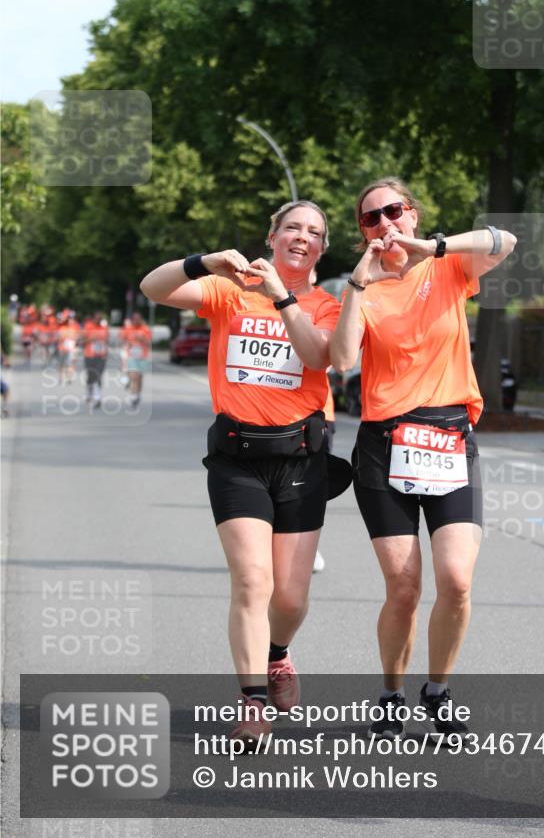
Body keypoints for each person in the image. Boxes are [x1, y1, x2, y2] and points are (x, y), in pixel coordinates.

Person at [140, 200, 346, 750]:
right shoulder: (230, 292)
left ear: (321, 249)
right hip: (237, 458)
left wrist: (282, 295)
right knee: (253, 579)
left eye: (314, 233)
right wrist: (206, 261)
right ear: (272, 236)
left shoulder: (327, 305)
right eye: (292, 228)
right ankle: (253, 699)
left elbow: (318, 357)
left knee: (291, 597)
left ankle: (278, 653)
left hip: (302, 460)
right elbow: (153, 288)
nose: (302, 238)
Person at [330, 177, 516, 741]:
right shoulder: (361, 290)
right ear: (362, 232)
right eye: (370, 218)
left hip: (449, 439)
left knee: (456, 580)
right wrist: (358, 285)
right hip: (384, 447)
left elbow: (504, 240)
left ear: (411, 214)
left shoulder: (447, 268)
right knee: (405, 587)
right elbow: (340, 361)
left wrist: (433, 247)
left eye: (392, 211)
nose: (383, 223)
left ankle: (438, 690)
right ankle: (391, 694)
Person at [82, 312, 110, 408]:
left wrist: (106, 353)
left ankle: (97, 397)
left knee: (98, 375)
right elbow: (81, 341)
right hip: (89, 355)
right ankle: (89, 393)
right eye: (96, 319)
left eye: (100, 319)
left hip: (101, 356)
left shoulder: (104, 328)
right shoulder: (88, 326)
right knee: (90, 376)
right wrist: (90, 339)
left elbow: (107, 341)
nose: (98, 321)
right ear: (93, 319)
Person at [123, 312, 152, 407]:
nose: (136, 321)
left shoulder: (145, 329)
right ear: (132, 320)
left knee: (139, 378)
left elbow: (149, 343)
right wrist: (127, 345)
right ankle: (133, 396)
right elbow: (123, 340)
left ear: (140, 319)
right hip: (132, 356)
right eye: (134, 319)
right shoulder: (128, 329)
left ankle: (138, 393)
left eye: (138, 319)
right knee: (133, 376)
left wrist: (142, 339)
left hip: (142, 357)